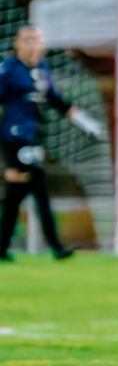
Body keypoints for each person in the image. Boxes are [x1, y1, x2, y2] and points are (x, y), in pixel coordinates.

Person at [1, 25, 104, 261]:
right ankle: (57, 248)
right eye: (27, 40)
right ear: (16, 44)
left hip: (35, 137)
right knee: (38, 190)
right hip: (15, 136)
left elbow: (57, 102)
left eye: (36, 40)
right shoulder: (8, 71)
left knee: (16, 197)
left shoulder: (42, 71)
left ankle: (2, 247)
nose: (32, 44)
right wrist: (7, 158)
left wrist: (85, 122)